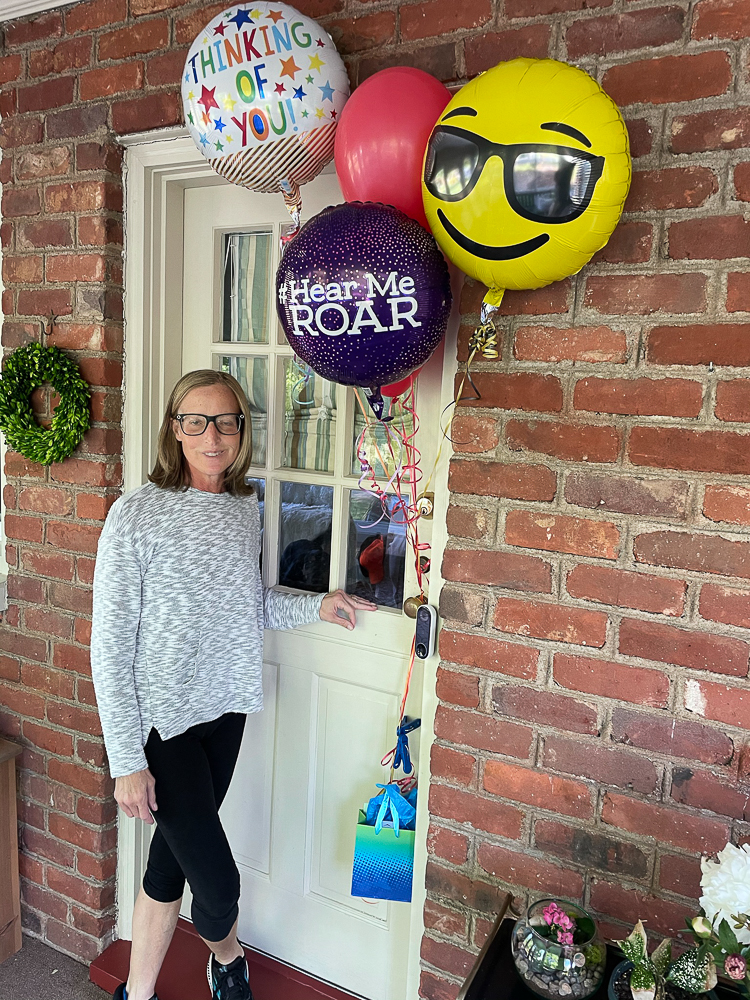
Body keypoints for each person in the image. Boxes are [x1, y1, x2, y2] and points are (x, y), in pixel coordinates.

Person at [91, 370, 376, 1000]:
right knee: (216, 885)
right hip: (161, 723)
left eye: (226, 421)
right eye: (196, 421)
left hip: (226, 713)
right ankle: (227, 956)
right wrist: (125, 759)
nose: (212, 435)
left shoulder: (244, 510)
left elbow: (250, 605)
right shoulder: (136, 514)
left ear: (241, 432)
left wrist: (315, 606)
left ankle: (135, 994)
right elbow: (108, 646)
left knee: (170, 860)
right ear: (175, 430)